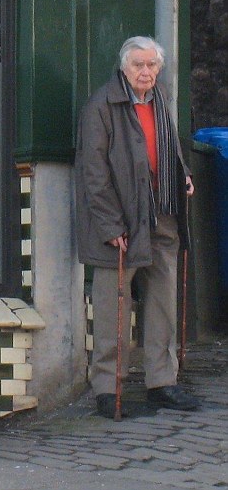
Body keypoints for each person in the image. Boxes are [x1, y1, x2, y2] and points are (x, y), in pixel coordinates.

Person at [75, 36, 200, 418]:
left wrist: (184, 176)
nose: (146, 72)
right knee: (115, 306)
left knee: (163, 303)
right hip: (122, 222)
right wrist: (111, 223)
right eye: (138, 66)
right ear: (124, 68)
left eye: (152, 65)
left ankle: (162, 383)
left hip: (162, 213)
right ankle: (107, 389)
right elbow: (93, 172)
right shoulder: (102, 105)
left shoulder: (160, 99)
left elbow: (168, 149)